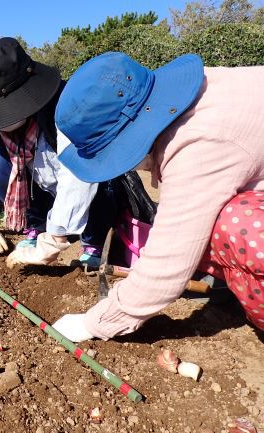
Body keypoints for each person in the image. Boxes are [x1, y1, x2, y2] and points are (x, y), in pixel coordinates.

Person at [52, 51, 264, 342]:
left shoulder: (196, 143)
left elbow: (167, 265)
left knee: (234, 223)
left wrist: (95, 324)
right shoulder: (201, 91)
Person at [0, 37, 115, 266]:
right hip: (43, 189)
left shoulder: (63, 107)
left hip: (94, 186)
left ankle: (94, 239)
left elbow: (78, 176)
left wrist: (54, 241)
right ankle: (36, 227)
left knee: (100, 185)